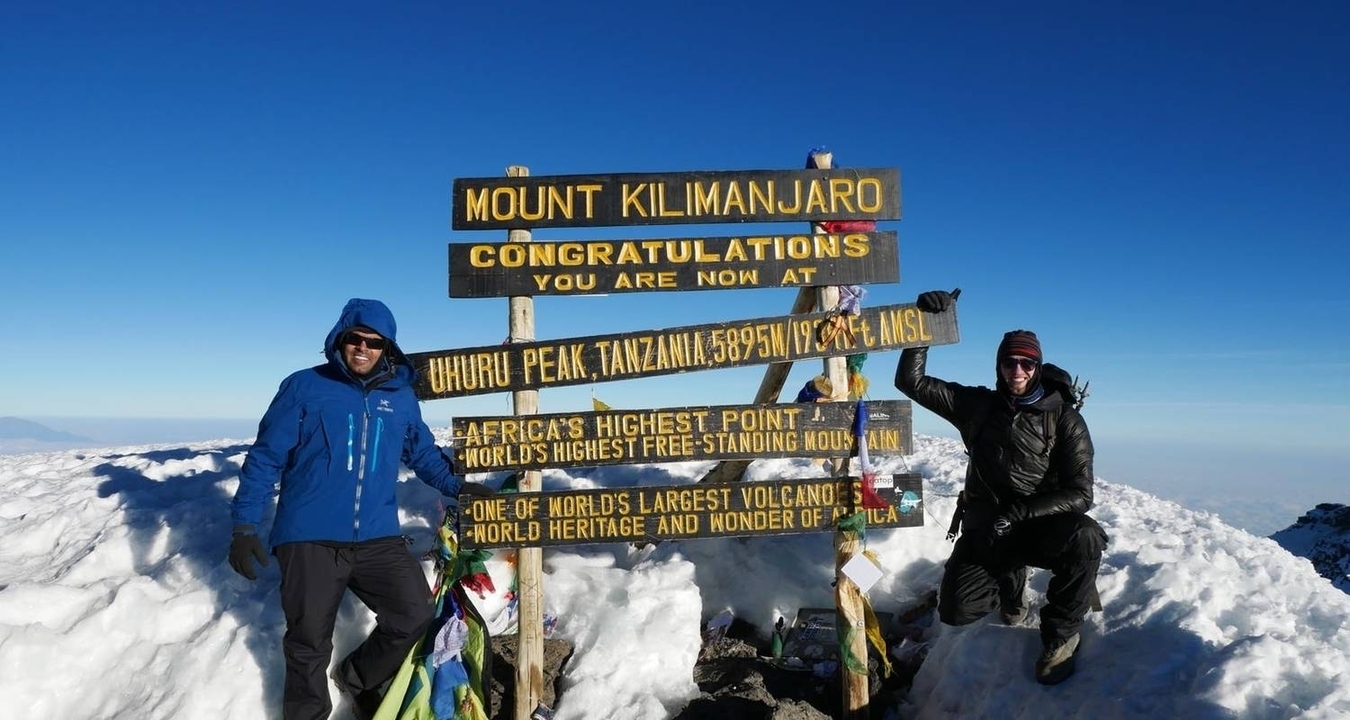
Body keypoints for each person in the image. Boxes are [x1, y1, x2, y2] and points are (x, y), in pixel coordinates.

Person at [228, 298, 493, 720]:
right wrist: (244, 525)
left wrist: (459, 487)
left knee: (414, 613)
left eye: (375, 342)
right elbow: (265, 458)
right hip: (309, 537)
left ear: (388, 348)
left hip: (376, 536)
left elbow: (422, 455)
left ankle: (356, 679)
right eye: (356, 339)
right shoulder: (304, 386)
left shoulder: (401, 398)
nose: (363, 348)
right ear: (340, 340)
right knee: (308, 642)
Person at [894, 289, 1107, 685]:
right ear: (999, 365)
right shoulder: (977, 406)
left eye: (1027, 363)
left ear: (1038, 367)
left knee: (1086, 537)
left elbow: (1081, 494)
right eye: (1010, 362)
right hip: (988, 525)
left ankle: (1060, 637)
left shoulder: (1064, 420)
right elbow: (911, 380)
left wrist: (1022, 512)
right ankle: (1011, 585)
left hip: (1039, 524)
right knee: (957, 611)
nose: (1018, 370)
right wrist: (923, 325)